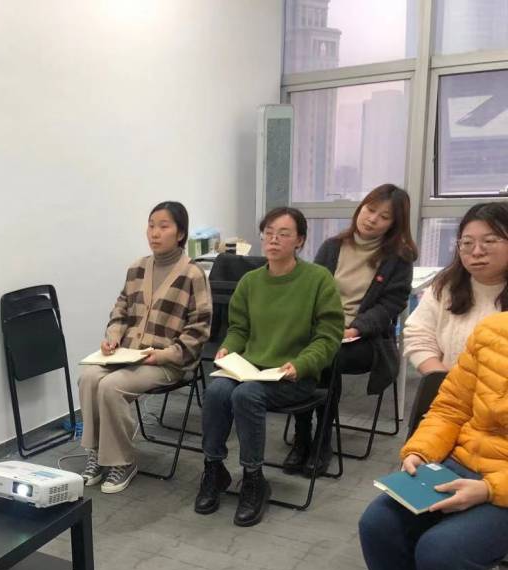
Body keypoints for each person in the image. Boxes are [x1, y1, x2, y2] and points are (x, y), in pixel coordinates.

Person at [356, 310, 508, 570]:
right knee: (379, 525)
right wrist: (421, 451)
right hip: (461, 464)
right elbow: (451, 407)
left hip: (500, 487)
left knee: (443, 551)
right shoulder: (493, 330)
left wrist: (490, 489)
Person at [195, 206, 343, 526]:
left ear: (299, 241)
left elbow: (329, 337)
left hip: (293, 376)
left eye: (283, 234)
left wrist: (301, 364)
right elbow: (239, 329)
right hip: (252, 369)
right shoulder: (251, 282)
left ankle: (253, 478)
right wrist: (228, 348)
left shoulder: (318, 280)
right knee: (218, 390)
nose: (273, 240)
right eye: (269, 233)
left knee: (246, 395)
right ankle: (214, 469)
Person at [79, 201, 212, 493]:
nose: (155, 233)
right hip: (128, 354)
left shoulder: (193, 274)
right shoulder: (137, 268)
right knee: (89, 377)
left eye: (164, 226)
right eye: (151, 226)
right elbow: (120, 310)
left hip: (167, 361)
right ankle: (97, 454)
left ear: (180, 233)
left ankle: (122, 461)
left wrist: (164, 355)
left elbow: (200, 328)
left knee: (111, 386)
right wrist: (113, 337)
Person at [287, 184, 417, 476]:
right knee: (300, 349)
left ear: (394, 224)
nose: (372, 219)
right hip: (323, 331)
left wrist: (356, 328)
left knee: (325, 358)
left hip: (365, 341)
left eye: (384, 216)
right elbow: (310, 291)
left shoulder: (399, 258)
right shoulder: (332, 246)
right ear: (361, 208)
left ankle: (321, 439)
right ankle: (302, 434)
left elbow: (390, 305)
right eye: (370, 209)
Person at [403, 202, 508, 374]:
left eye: (489, 241)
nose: (477, 252)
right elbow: (419, 336)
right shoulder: (445, 287)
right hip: (450, 386)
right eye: (467, 243)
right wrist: (443, 381)